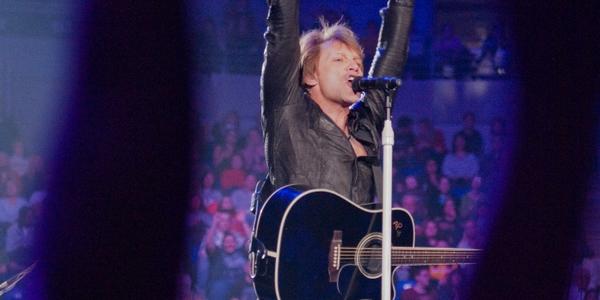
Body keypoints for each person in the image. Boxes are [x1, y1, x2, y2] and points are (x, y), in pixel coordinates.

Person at [259, 0, 413, 205]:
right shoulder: (290, 113)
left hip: (355, 237)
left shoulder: (365, 127)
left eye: (357, 62)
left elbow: (392, 54)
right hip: (302, 236)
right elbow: (282, 34)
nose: (354, 67)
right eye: (339, 60)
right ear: (310, 76)